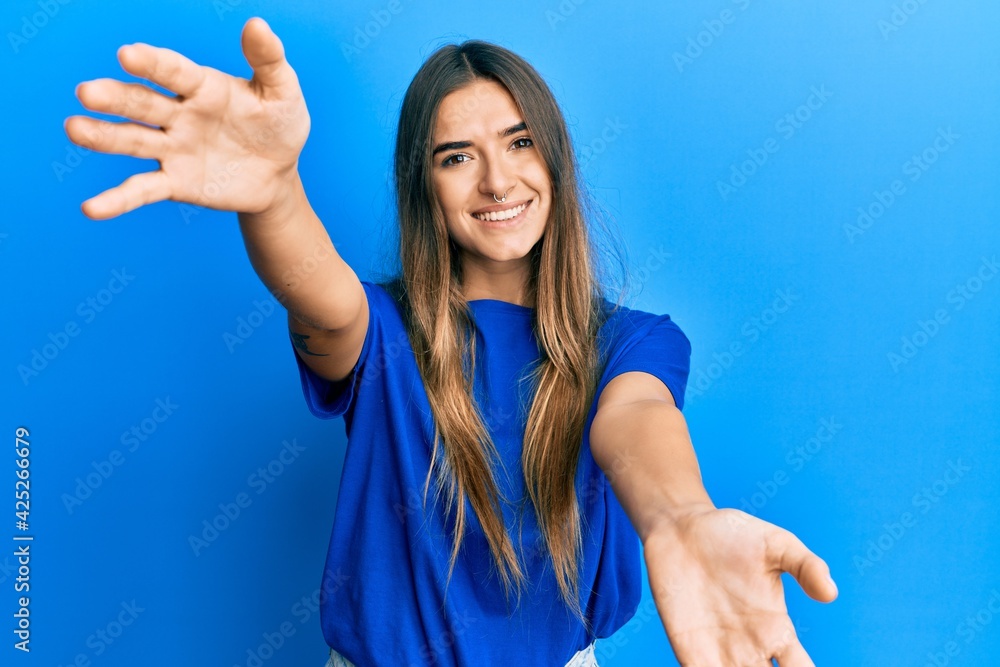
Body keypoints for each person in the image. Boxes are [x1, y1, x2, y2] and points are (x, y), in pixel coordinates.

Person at [65, 16, 838, 667]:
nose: (497, 180)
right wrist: (274, 196)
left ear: (556, 157)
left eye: (520, 142)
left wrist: (681, 518)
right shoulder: (382, 333)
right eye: (457, 157)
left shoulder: (631, 342)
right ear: (423, 185)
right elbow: (319, 294)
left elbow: (636, 419)